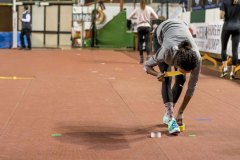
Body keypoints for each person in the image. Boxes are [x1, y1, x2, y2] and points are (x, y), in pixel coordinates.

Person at [144, 19, 202, 135]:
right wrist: (157, 74)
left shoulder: (197, 59)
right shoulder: (166, 53)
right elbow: (146, 66)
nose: (186, 72)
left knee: (181, 79)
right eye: (183, 70)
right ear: (177, 63)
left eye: (188, 71)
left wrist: (181, 111)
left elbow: (191, 87)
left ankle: (169, 115)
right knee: (167, 78)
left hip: (180, 27)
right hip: (161, 33)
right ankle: (171, 119)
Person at [220, 0, 240, 80]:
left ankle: (225, 69)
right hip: (238, 28)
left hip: (227, 27)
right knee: (235, 51)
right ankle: (232, 73)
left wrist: (224, 16)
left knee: (223, 48)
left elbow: (221, 16)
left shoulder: (224, 2)